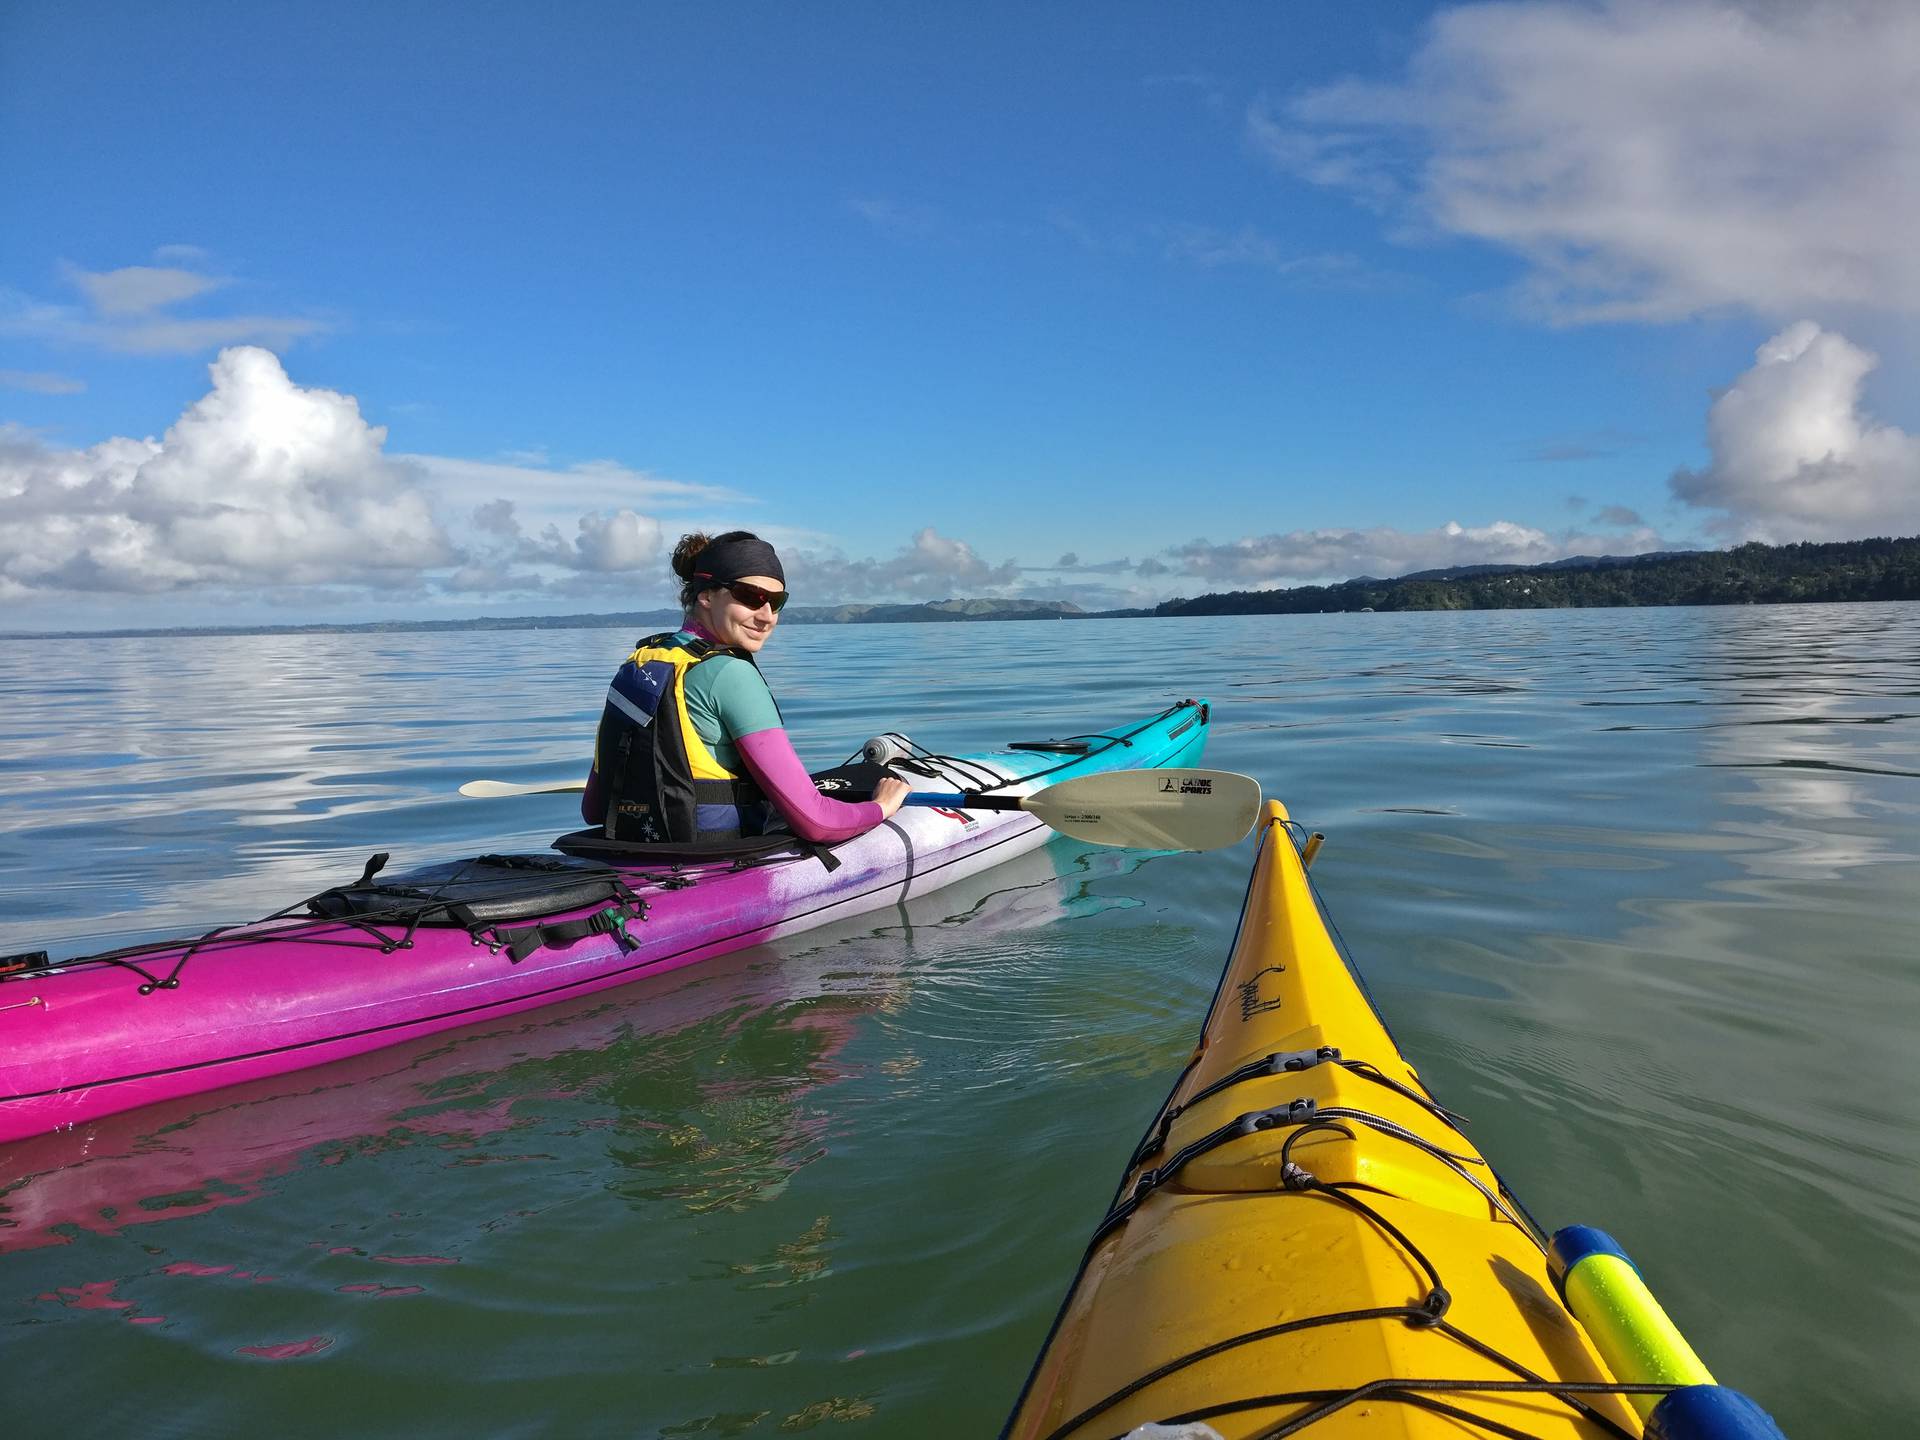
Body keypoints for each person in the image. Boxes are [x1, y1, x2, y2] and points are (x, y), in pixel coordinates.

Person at [582, 530, 911, 846]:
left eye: (776, 601)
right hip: (707, 858)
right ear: (705, 595)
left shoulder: (640, 662)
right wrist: (880, 807)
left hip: (634, 849)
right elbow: (816, 821)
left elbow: (593, 809)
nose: (766, 616)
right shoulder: (729, 673)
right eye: (751, 597)